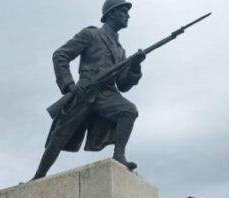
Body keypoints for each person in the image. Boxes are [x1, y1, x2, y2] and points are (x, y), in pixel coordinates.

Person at [31, 0, 145, 180]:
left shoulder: (120, 51)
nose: (127, 15)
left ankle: (119, 155)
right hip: (84, 92)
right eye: (123, 11)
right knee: (59, 136)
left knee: (128, 111)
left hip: (106, 94)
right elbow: (61, 55)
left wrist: (135, 67)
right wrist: (69, 85)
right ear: (111, 13)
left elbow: (123, 85)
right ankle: (38, 176)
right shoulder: (91, 34)